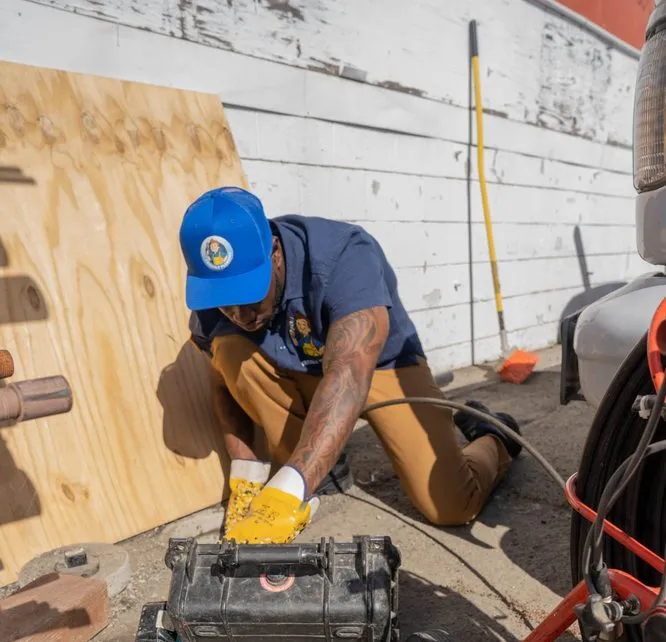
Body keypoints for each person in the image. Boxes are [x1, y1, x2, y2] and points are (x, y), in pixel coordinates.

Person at [179, 186, 521, 544]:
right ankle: (321, 472)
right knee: (230, 350)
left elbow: (349, 372)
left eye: (249, 295)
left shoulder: (342, 255)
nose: (240, 315)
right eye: (226, 303)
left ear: (275, 254)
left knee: (450, 504)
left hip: (377, 369)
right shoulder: (213, 293)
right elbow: (224, 382)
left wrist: (292, 483)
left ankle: (492, 435)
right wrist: (245, 475)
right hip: (304, 371)